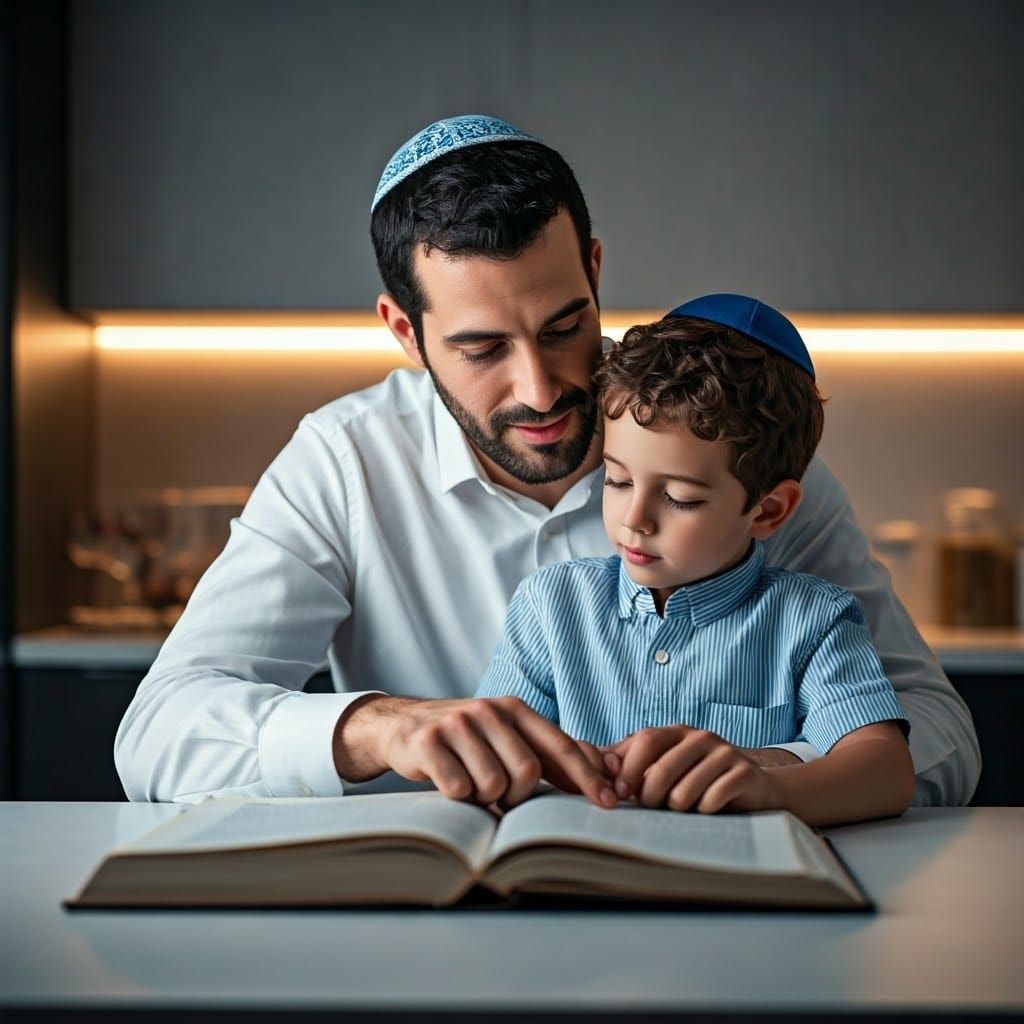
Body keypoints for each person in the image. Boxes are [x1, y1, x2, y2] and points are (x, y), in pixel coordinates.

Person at [114, 115, 979, 808]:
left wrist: (777, 769)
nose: (540, 389)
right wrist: (376, 728)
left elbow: (939, 732)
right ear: (404, 331)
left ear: (595, 271)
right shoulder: (344, 462)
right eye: (483, 348)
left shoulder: (733, 452)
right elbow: (156, 735)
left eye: (564, 328)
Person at [476, 295, 914, 826]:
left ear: (768, 509)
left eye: (680, 498)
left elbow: (887, 769)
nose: (634, 518)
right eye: (616, 480)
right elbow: (494, 750)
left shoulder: (812, 620)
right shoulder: (550, 606)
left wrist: (768, 786)